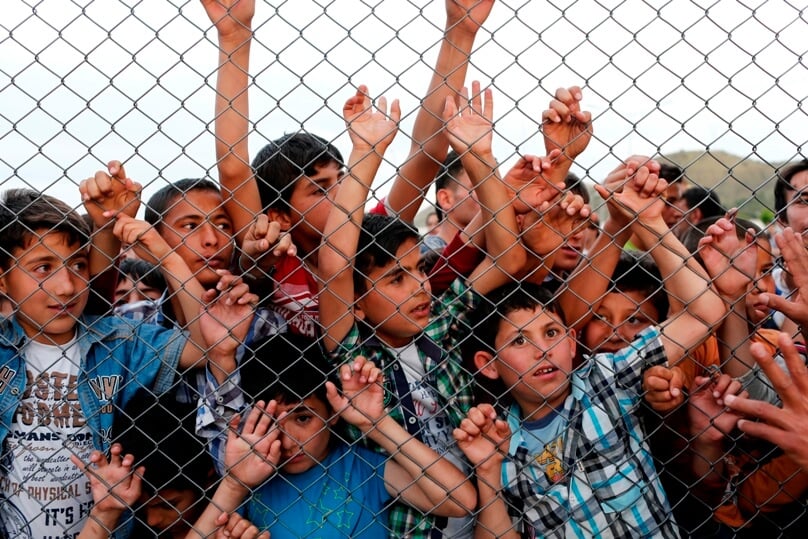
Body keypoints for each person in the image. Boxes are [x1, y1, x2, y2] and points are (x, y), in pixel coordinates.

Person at [454, 168, 726, 538]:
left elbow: (705, 312)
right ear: (488, 365)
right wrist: (487, 474)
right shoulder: (499, 444)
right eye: (520, 340)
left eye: (551, 333)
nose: (542, 351)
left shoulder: (606, 378)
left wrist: (650, 224)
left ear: (570, 341)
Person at [204, 0, 494, 338]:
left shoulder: (370, 236)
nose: (342, 192)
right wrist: (235, 38)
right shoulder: (273, 253)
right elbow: (233, 167)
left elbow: (426, 156)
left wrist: (459, 31)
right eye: (320, 189)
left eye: (342, 179)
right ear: (281, 215)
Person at [318, 82, 524, 538]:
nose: (420, 287)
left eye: (418, 270)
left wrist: (480, 157)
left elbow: (509, 257)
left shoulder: (439, 327)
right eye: (395, 278)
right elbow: (334, 265)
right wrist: (365, 155)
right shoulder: (353, 354)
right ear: (357, 302)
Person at [0, 189, 252, 538]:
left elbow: (204, 345)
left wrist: (167, 256)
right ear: (3, 278)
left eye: (78, 265)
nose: (66, 286)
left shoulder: (118, 342)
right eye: (43, 268)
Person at [184, 351, 476, 539]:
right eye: (271, 423)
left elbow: (459, 501)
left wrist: (376, 424)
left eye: (302, 418)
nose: (287, 441)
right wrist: (234, 484)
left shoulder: (360, 467)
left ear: (333, 413)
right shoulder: (251, 482)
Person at [422, 150, 481, 253]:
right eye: (477, 187)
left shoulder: (492, 248)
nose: (489, 194)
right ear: (446, 199)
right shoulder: (427, 254)